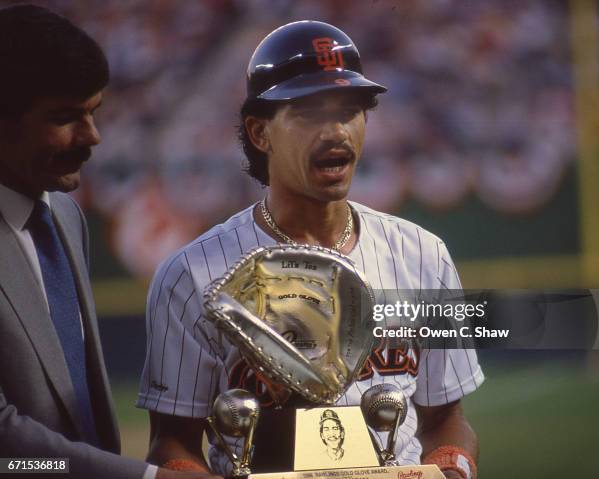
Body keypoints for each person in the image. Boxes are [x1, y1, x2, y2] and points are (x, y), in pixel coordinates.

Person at [138, 21, 484, 479]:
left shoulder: (424, 254)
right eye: (309, 112)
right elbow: (172, 442)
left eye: (351, 109)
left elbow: (447, 420)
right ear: (260, 133)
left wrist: (452, 468)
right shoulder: (191, 275)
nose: (337, 130)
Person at [0, 5, 218, 479]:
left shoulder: (63, 215)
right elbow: (7, 452)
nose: (93, 136)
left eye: (94, 113)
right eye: (65, 117)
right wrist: (148, 478)